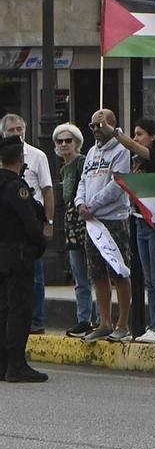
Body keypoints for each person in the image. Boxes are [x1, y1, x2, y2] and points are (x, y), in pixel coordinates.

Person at [113, 117, 155, 343]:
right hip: (139, 221)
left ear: (152, 137)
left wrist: (114, 132)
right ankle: (153, 324)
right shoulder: (135, 163)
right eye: (135, 133)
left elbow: (130, 145)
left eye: (140, 134)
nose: (136, 137)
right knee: (149, 278)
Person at [77, 109, 135, 344]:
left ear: (112, 125)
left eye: (100, 125)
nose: (96, 130)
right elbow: (83, 180)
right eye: (92, 126)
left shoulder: (122, 151)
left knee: (118, 271)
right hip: (92, 222)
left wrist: (93, 204)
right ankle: (104, 321)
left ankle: (123, 323)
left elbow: (118, 183)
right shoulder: (91, 152)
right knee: (97, 273)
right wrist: (80, 202)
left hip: (113, 219)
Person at [0, 115, 53, 335]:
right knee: (13, 299)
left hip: (24, 232)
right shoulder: (12, 181)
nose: (16, 133)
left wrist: (48, 223)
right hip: (12, 238)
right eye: (11, 130)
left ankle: (37, 320)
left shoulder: (37, 156)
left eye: (19, 129)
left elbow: (48, 190)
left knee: (34, 281)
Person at [0, 136, 47, 381]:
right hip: (17, 254)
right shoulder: (16, 187)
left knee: (4, 310)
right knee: (19, 309)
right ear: (20, 158)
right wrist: (41, 243)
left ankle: (3, 364)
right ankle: (16, 365)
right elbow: (30, 223)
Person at [52, 124, 94, 338]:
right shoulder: (63, 167)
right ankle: (83, 319)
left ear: (77, 142)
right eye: (60, 141)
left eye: (68, 140)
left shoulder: (82, 162)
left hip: (85, 223)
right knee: (79, 275)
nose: (64, 144)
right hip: (70, 226)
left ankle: (93, 319)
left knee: (93, 274)